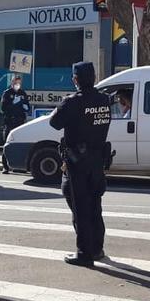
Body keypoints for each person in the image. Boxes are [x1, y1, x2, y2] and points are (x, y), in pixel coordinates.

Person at [48, 62, 112, 267]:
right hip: (97, 161)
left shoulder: (72, 102)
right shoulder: (104, 99)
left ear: (75, 79)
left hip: (77, 163)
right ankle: (97, 249)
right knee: (95, 206)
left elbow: (54, 123)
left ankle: (84, 253)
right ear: (94, 78)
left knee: (80, 207)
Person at [0, 76, 31, 173]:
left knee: (19, 144)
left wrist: (25, 106)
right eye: (16, 83)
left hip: (20, 122)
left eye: (19, 83)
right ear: (12, 83)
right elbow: (3, 108)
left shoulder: (22, 93)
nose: (18, 85)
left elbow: (27, 106)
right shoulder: (7, 93)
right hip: (10, 122)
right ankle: (5, 166)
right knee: (7, 144)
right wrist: (13, 103)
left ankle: (19, 167)